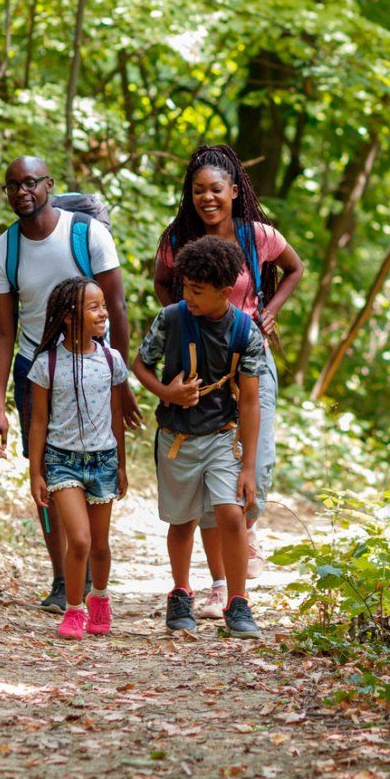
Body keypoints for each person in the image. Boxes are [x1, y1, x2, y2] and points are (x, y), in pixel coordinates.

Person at [153, 143, 303, 618]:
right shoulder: (177, 238)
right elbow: (162, 283)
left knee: (254, 468)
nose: (207, 198)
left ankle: (245, 529)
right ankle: (221, 586)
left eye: (216, 189)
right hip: (200, 364)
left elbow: (295, 268)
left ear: (234, 191)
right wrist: (179, 317)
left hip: (249, 358)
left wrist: (269, 313)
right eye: (198, 190)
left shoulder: (258, 235)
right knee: (208, 472)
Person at [0, 156, 140, 612]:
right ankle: (61, 577)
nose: (21, 192)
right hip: (38, 366)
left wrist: (123, 377)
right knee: (47, 468)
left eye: (30, 182)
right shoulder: (4, 249)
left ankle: (91, 564)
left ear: (49, 184)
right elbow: (2, 331)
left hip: (94, 364)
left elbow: (117, 305)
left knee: (97, 458)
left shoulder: (87, 234)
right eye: (12, 186)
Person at [134, 236, 270, 639]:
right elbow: (140, 365)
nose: (188, 296)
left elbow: (249, 401)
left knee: (231, 513)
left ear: (225, 293)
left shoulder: (246, 333)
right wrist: (167, 393)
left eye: (198, 290)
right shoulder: (171, 318)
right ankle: (180, 593)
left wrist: (248, 466)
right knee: (183, 520)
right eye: (185, 287)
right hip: (177, 436)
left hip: (221, 436)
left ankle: (238, 603)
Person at [26, 276, 128, 639]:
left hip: (102, 461)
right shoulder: (46, 364)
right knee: (80, 540)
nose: (103, 314)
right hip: (61, 461)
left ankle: (100, 598)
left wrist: (121, 464)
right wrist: (35, 471)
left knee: (100, 547)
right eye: (94, 307)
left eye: (104, 306)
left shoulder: (111, 360)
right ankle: (74, 609)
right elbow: (38, 422)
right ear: (70, 316)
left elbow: (116, 415)